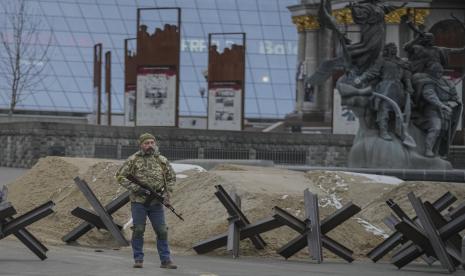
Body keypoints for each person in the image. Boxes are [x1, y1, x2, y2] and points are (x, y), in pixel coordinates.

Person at [115, 133, 177, 269]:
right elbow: (120, 176)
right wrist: (136, 188)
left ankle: (166, 260)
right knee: (138, 229)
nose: (150, 145)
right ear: (141, 145)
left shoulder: (162, 160)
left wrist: (167, 193)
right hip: (138, 202)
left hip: (156, 202)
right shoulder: (133, 160)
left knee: (162, 231)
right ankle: (138, 259)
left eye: (152, 143)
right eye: (146, 143)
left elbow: (171, 178)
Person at [356, 43, 414, 141]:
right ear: (387, 50)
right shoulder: (382, 60)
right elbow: (372, 72)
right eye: (392, 48)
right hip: (386, 87)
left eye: (395, 47)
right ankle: (383, 130)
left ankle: (399, 131)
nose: (394, 49)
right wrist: (361, 79)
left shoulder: (401, 62)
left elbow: (406, 76)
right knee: (384, 108)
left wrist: (409, 86)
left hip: (398, 88)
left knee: (400, 111)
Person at [412, 62, 462, 157]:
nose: (439, 74)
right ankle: (428, 149)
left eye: (440, 72)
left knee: (444, 132)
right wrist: (442, 105)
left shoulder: (447, 82)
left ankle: (437, 151)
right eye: (437, 72)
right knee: (436, 127)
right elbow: (429, 95)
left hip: (447, 111)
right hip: (432, 109)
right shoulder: (428, 82)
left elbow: (454, 95)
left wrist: (455, 100)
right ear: (432, 72)